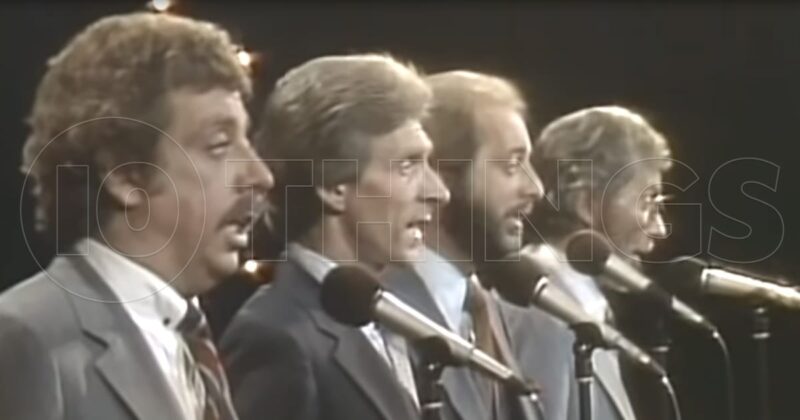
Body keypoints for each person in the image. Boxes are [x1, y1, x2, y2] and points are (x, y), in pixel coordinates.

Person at [0, 12, 274, 420]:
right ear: (126, 176)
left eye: (245, 141)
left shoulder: (187, 340)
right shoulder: (26, 339)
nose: (260, 176)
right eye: (219, 145)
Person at [219, 54, 450, 420]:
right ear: (332, 186)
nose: (438, 192)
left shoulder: (404, 315)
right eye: (408, 165)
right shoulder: (274, 337)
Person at [382, 70, 552, 420]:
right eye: (512, 165)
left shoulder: (487, 309)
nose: (535, 188)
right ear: (442, 176)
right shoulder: (382, 317)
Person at [527, 105, 673, 420]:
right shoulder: (545, 313)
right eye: (648, 202)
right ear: (586, 203)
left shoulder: (580, 304)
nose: (659, 229)